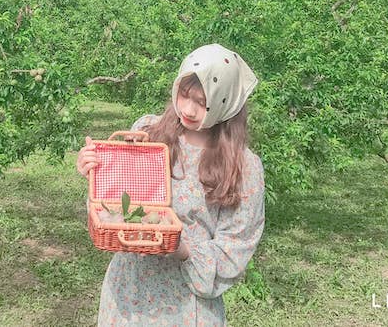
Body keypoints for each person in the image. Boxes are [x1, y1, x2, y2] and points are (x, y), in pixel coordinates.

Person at [76, 43, 266, 326]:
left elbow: (235, 245)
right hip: (129, 291)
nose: (188, 109)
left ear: (224, 103)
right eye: (184, 94)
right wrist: (95, 170)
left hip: (185, 305)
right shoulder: (149, 133)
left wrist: (183, 249)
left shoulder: (243, 166)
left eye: (202, 102)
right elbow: (119, 201)